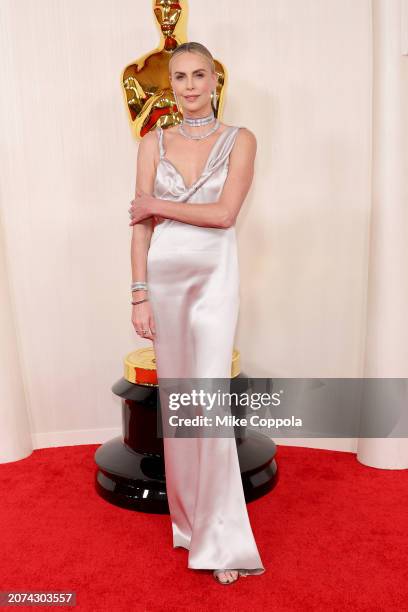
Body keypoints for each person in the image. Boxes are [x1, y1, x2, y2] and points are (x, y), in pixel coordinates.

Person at [128, 42, 265, 585]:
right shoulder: (150, 142)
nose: (188, 86)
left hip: (213, 278)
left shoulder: (241, 139)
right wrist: (138, 293)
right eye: (179, 77)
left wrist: (157, 204)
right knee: (179, 404)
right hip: (163, 281)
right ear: (172, 85)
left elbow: (225, 214)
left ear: (215, 80)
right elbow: (138, 229)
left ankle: (220, 537)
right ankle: (187, 525)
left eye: (198, 75)